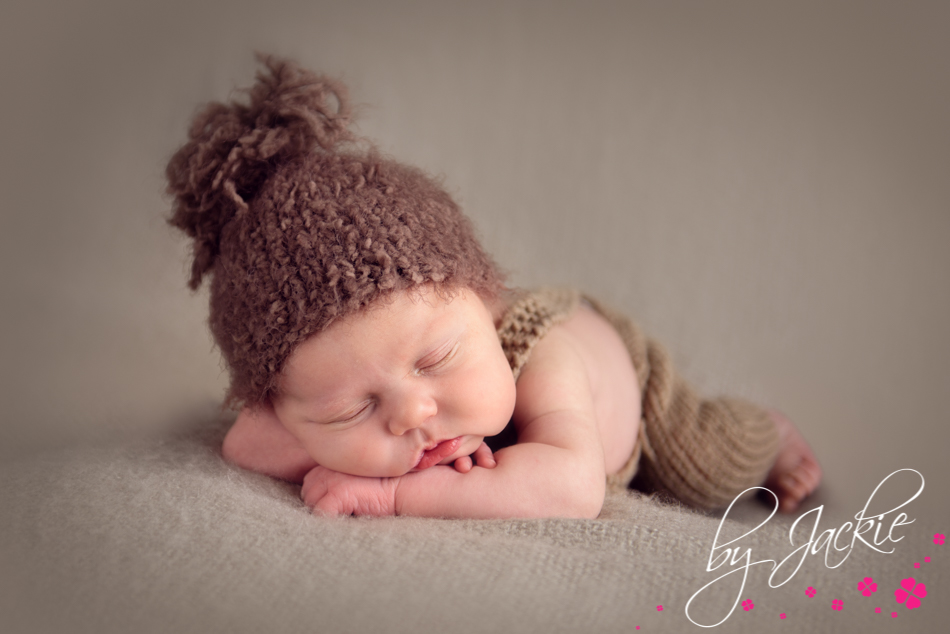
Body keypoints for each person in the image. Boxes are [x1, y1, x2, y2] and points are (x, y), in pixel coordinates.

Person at [166, 55, 821, 519]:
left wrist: (392, 493)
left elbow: (571, 488)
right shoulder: (336, 390)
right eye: (351, 409)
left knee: (704, 464)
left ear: (483, 301)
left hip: (633, 391)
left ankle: (774, 435)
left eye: (435, 360)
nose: (412, 415)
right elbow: (244, 443)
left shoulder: (539, 359)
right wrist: (324, 433)